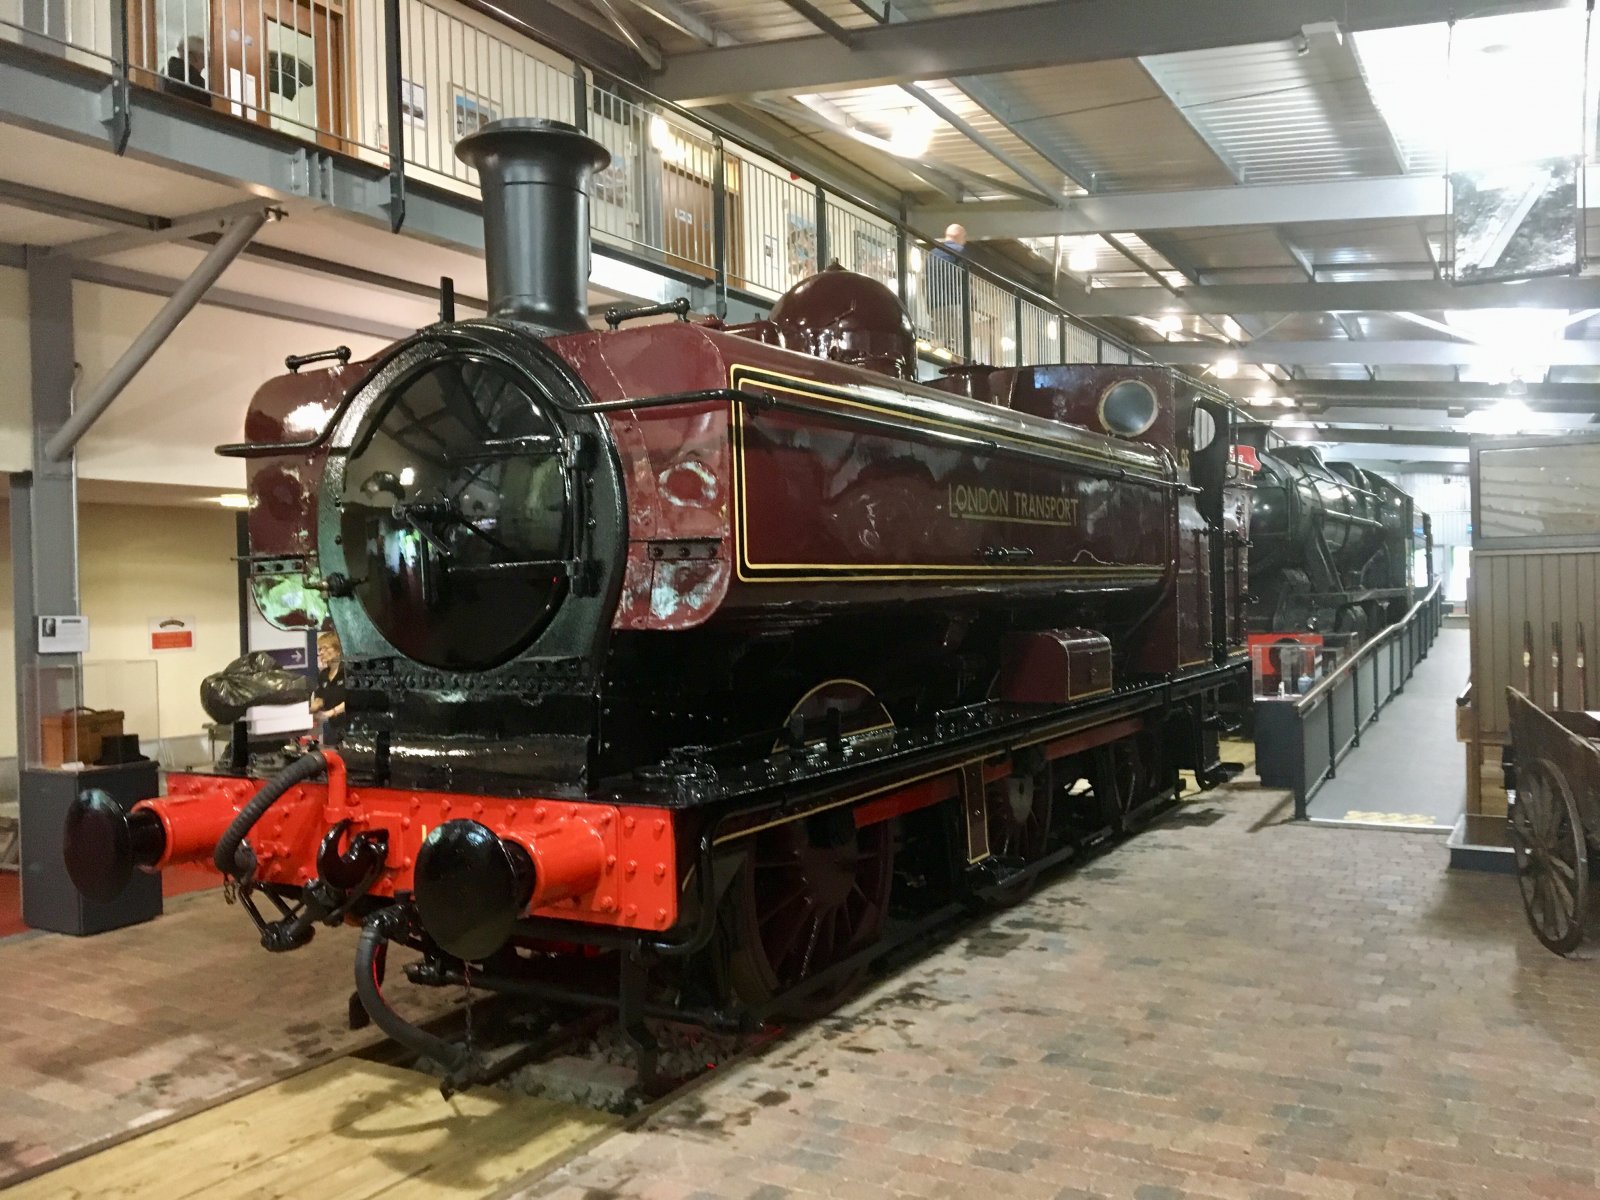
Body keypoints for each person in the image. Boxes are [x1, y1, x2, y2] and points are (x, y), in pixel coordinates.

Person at [929, 223, 968, 356]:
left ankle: (935, 358)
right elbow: (962, 275)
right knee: (959, 339)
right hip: (953, 301)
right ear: (960, 237)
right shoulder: (959, 251)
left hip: (935, 303)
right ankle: (959, 362)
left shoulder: (931, 253)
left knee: (939, 337)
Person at [309, 630, 347, 745]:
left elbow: (354, 698)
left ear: (337, 650)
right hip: (334, 729)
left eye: (325, 648)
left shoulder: (348, 671)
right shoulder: (323, 675)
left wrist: (331, 712)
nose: (321, 652)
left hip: (352, 729)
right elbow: (320, 700)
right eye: (320, 649)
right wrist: (307, 711)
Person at [164, 36, 209, 106]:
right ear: (194, 57)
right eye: (204, 58)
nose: (205, 65)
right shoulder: (191, 77)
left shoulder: (166, 70)